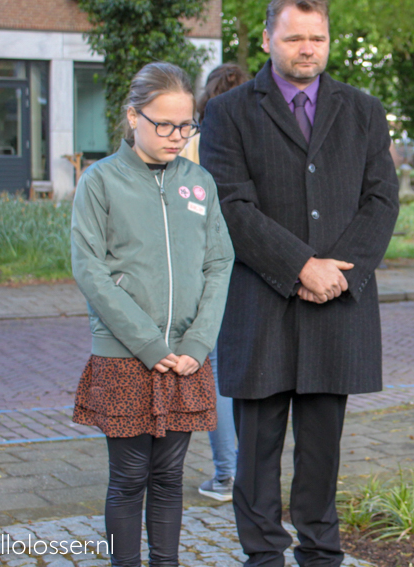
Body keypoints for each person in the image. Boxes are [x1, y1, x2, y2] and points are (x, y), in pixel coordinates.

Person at [198, 0, 400, 567]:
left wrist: (340, 272)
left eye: (317, 37)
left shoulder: (363, 110)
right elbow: (230, 205)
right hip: (261, 305)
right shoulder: (228, 113)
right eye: (294, 39)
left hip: (338, 306)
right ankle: (263, 560)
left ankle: (322, 559)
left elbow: (381, 199)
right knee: (257, 453)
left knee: (322, 452)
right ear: (267, 40)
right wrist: (300, 266)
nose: (307, 48)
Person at [70, 62, 234, 567]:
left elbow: (219, 261)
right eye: (163, 124)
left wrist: (198, 342)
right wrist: (149, 345)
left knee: (170, 477)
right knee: (129, 477)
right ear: (132, 117)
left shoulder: (199, 182)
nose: (176, 136)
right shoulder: (100, 182)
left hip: (187, 359)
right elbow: (89, 269)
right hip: (125, 358)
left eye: (186, 125)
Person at [178, 62, 251, 503]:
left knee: (219, 370)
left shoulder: (194, 142)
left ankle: (227, 473)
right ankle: (246, 473)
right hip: (255, 264)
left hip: (207, 267)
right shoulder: (255, 136)